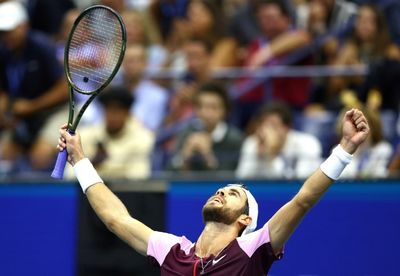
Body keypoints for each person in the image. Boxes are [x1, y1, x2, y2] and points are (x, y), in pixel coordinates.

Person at [57, 108, 369, 275]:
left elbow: (303, 201)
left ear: (245, 221)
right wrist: (80, 159)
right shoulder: (173, 252)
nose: (221, 192)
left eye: (233, 194)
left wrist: (344, 149)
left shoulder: (252, 250)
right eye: (221, 189)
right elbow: (116, 218)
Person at [0, 1, 68, 172]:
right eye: (2, 32)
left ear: (23, 26)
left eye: (10, 31)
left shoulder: (42, 46)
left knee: (40, 155)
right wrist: (4, 108)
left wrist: (31, 107)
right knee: (5, 153)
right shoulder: (3, 50)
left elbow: (64, 90)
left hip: (54, 111)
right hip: (22, 114)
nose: (6, 36)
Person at [65, 86, 155, 180]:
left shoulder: (143, 139)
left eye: (119, 110)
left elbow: (139, 177)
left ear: (128, 113)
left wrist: (105, 165)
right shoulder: (84, 136)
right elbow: (70, 177)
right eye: (109, 109)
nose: (113, 115)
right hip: (86, 193)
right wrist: (92, 163)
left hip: (124, 194)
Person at [236, 102, 322, 179]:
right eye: (262, 125)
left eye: (273, 125)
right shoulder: (251, 143)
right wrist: (260, 156)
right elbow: (242, 178)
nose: (265, 131)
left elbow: (299, 181)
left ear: (287, 128)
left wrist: (272, 156)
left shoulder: (308, 143)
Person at [169, 82, 243, 172]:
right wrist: (185, 156)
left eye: (213, 107)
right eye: (201, 107)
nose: (206, 113)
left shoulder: (235, 139)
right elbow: (170, 172)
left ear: (225, 111)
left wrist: (208, 156)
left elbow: (232, 178)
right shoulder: (186, 133)